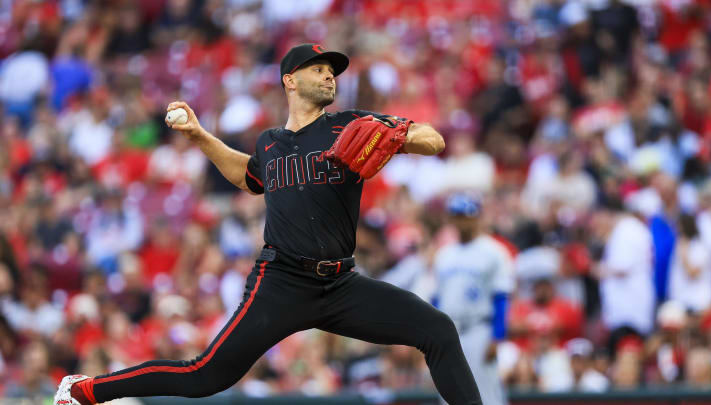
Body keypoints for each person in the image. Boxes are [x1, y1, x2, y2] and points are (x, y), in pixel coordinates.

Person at [54, 44, 483, 405]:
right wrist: (200, 137)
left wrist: (396, 137)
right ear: (290, 81)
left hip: (340, 283)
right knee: (205, 376)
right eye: (318, 70)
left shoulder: (351, 124)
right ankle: (86, 390)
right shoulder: (270, 142)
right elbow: (249, 177)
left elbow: (435, 139)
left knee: (437, 330)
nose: (329, 76)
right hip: (281, 281)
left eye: (332, 71)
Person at [434, 193, 515, 405]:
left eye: (467, 216)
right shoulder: (444, 255)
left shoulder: (494, 251)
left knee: (487, 394)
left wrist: (497, 336)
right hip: (449, 332)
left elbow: (501, 296)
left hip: (480, 331)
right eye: (457, 216)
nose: (462, 221)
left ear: (477, 217)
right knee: (448, 393)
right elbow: (435, 299)